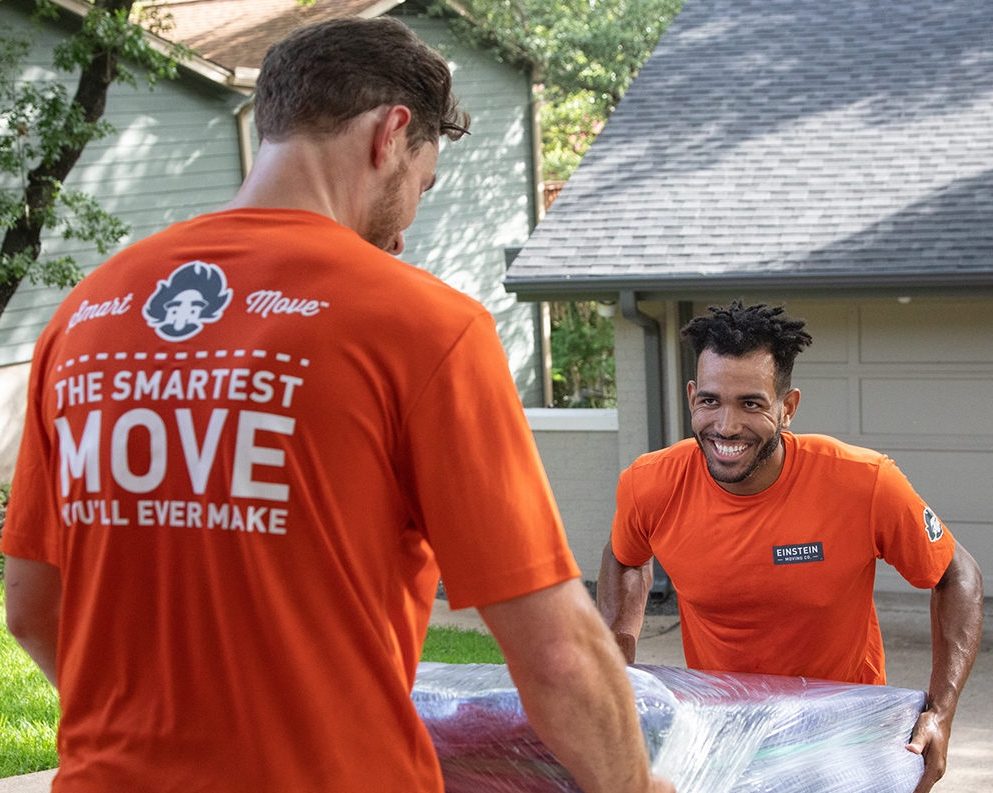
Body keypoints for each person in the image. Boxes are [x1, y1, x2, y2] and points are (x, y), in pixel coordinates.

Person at [2, 17, 675, 793]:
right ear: (390, 133)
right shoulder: (422, 326)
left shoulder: (88, 314)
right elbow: (553, 649)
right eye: (421, 185)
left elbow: (30, 610)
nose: (407, 226)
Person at [598, 300, 984, 793]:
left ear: (788, 407)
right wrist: (618, 672)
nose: (727, 425)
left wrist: (941, 711)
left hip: (844, 733)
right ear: (692, 397)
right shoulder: (650, 484)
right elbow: (624, 557)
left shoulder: (863, 482)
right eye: (711, 401)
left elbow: (958, 574)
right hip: (723, 731)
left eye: (752, 403)